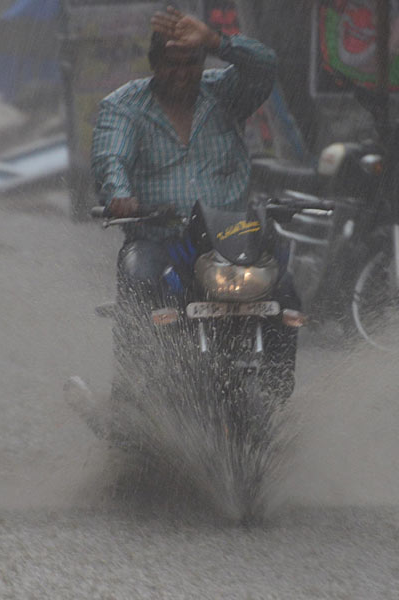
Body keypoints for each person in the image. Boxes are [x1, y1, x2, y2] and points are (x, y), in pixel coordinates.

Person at [89, 6, 296, 409]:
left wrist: (217, 41)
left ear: (203, 62)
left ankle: (274, 391)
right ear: (154, 64)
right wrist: (118, 194)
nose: (182, 72)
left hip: (228, 240)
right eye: (171, 64)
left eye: (192, 62)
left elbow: (265, 67)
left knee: (283, 287)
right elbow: (110, 158)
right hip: (159, 241)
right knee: (141, 279)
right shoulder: (123, 107)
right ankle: (132, 401)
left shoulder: (225, 94)